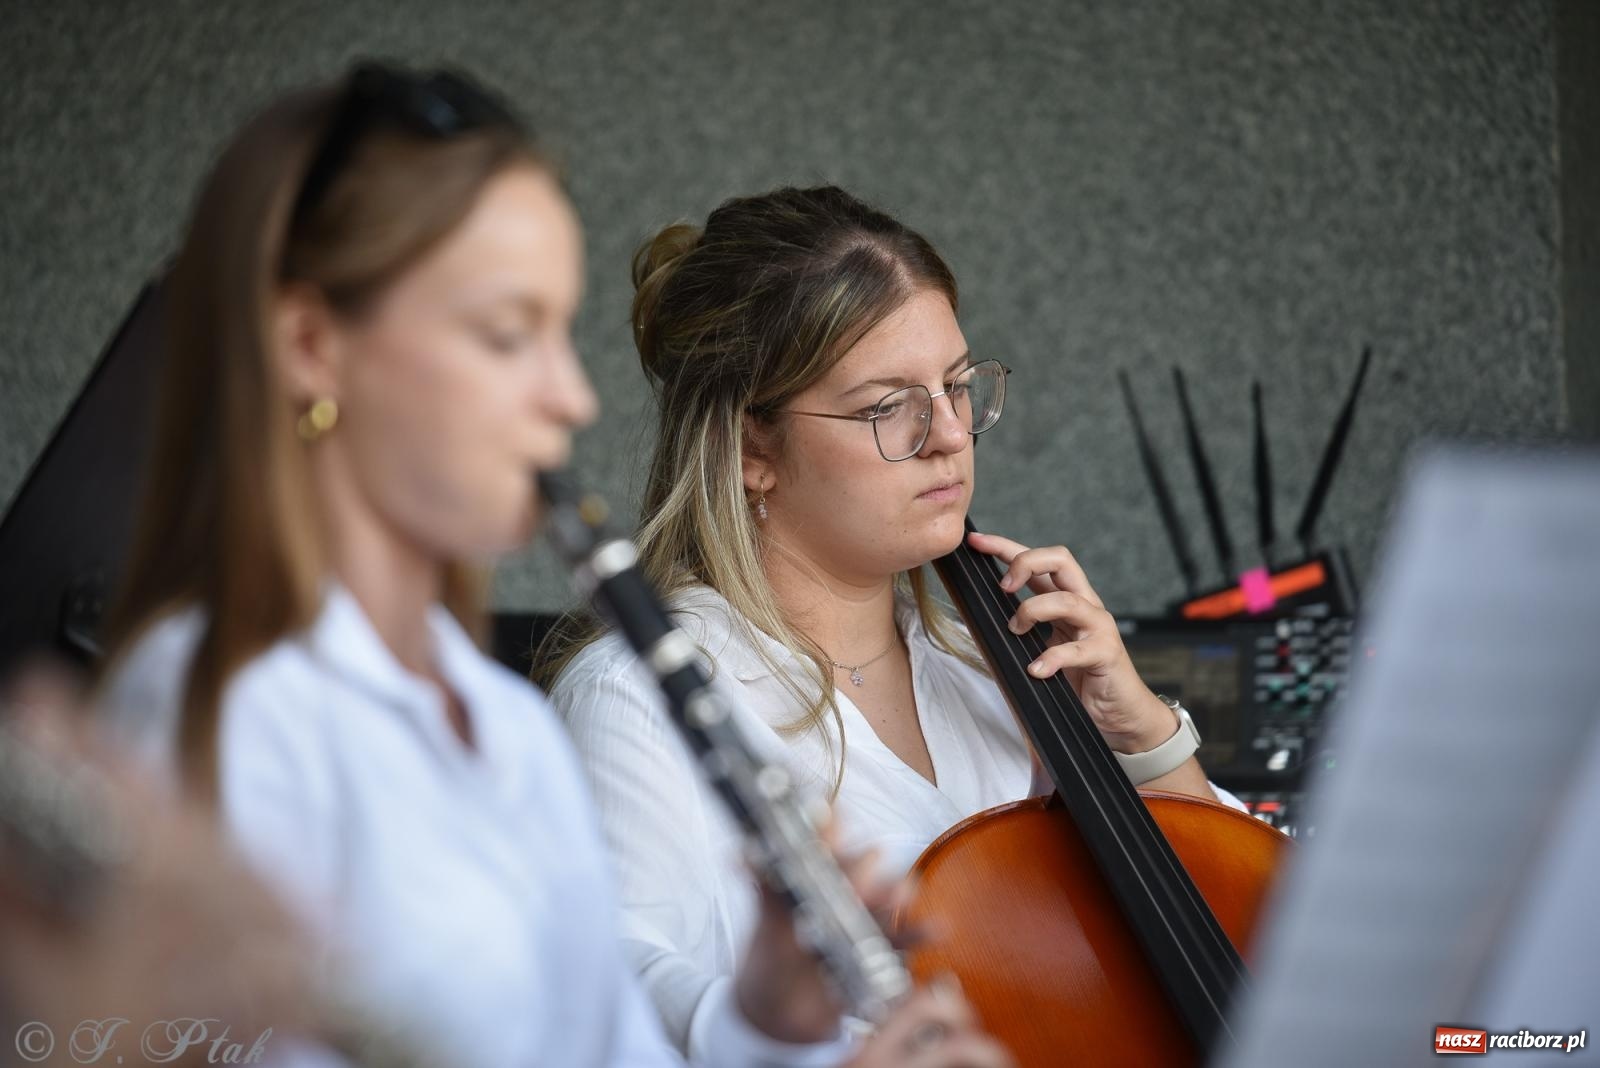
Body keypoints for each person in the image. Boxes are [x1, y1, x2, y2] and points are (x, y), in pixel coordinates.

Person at [94, 66, 1009, 1068]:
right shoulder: (219, 707)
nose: (572, 398)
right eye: (505, 334)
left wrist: (763, 1025)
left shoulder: (504, 730)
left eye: (560, 332)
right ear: (313, 346)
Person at [541, 184, 1247, 1052]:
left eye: (956, 387)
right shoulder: (637, 700)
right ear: (751, 448)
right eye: (888, 407)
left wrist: (1142, 734)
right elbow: (603, 1003)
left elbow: (1255, 928)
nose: (950, 434)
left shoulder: (998, 678)